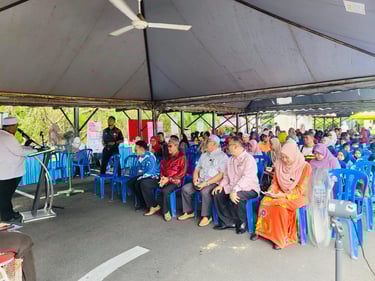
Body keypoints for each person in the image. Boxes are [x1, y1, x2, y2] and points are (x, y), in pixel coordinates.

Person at [252, 142, 312, 250]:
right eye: (282, 157)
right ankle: (261, 232)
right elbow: (275, 182)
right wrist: (272, 192)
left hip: (298, 196)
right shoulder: (279, 163)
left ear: (294, 155)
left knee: (280, 205)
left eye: (286, 157)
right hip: (280, 192)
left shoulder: (305, 167)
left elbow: (301, 188)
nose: (284, 160)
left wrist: (284, 195)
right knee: (265, 201)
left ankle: (279, 238)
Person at [211, 137, 259, 234]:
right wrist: (221, 185)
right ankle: (227, 221)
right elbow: (226, 176)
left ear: (236, 146)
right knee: (217, 193)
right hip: (233, 186)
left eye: (229, 145)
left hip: (249, 188)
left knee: (238, 196)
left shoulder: (249, 159)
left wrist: (234, 190)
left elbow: (247, 178)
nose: (227, 147)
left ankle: (242, 222)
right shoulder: (230, 160)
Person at [178, 135, 228, 226]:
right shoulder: (204, 155)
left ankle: (206, 216)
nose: (204, 144)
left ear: (214, 144)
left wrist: (206, 183)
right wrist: (194, 179)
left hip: (213, 182)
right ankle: (189, 211)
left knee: (205, 192)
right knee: (186, 189)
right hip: (201, 181)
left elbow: (221, 174)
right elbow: (197, 169)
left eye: (207, 142)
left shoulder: (222, 156)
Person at [140, 137, 185, 221]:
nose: (168, 148)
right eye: (168, 146)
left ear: (176, 146)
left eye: (170, 146)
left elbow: (181, 174)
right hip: (164, 179)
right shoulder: (167, 157)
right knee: (144, 183)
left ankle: (165, 211)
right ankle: (153, 206)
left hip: (175, 181)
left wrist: (169, 179)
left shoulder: (182, 157)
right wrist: (162, 178)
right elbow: (162, 168)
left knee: (165, 191)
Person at [0, 117, 35, 222]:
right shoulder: (8, 137)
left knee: (5, 195)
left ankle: (9, 213)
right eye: (15, 127)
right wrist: (32, 150)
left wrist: (27, 148)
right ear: (11, 127)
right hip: (9, 173)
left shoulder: (3, 135)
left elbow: (16, 148)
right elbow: (19, 152)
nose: (16, 129)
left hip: (5, 172)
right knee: (5, 196)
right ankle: (7, 216)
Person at [127, 140, 160, 211]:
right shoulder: (140, 157)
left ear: (142, 149)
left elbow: (151, 172)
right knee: (130, 183)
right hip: (145, 176)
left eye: (136, 150)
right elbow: (140, 170)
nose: (135, 151)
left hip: (154, 177)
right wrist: (139, 176)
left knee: (141, 183)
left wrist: (140, 177)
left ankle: (154, 205)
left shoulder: (150, 157)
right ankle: (143, 202)